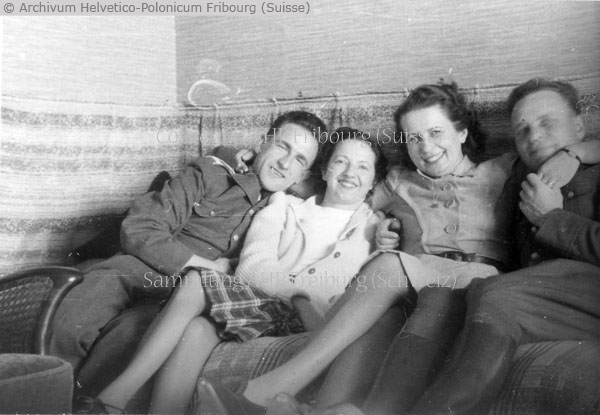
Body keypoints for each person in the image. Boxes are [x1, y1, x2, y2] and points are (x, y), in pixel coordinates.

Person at [256, 82, 600, 415]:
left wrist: (575, 152)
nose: (426, 147)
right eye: (413, 138)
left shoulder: (505, 168)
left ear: (462, 132)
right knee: (384, 317)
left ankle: (272, 387)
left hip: (477, 278)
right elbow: (343, 193)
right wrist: (258, 170)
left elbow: (559, 149)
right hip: (419, 280)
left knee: (388, 265)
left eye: (436, 133)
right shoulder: (398, 181)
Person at [93, 128, 387, 414]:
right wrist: (298, 298)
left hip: (318, 321)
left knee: (197, 305)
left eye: (363, 167)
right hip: (268, 306)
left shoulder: (379, 228)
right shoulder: (284, 204)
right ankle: (124, 399)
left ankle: (114, 398)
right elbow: (252, 266)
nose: (350, 173)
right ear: (323, 170)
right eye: (340, 162)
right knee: (197, 317)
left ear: (375, 181)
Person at [50, 111, 326, 407]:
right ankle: (44, 400)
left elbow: (339, 187)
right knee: (72, 321)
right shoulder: (212, 173)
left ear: (304, 176)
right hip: (139, 269)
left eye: (299, 159)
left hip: (177, 304)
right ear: (262, 143)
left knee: (127, 339)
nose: (285, 163)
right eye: (282, 147)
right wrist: (207, 266)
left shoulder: (288, 210)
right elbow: (140, 227)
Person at [404, 78, 600, 415]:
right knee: (441, 299)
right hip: (547, 307)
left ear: (580, 126)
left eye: (547, 123)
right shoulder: (515, 179)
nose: (534, 136)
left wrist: (552, 217)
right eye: (522, 130)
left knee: (499, 293)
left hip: (588, 295)